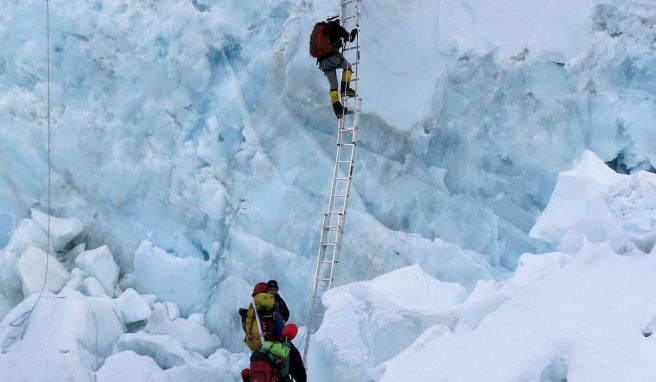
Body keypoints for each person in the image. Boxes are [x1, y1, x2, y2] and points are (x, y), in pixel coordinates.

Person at [313, 13, 358, 118]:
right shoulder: (338, 28)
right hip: (332, 57)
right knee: (347, 66)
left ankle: (338, 110)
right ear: (337, 20)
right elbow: (350, 38)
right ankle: (345, 89)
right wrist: (355, 31)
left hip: (322, 63)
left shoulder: (323, 31)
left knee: (333, 86)